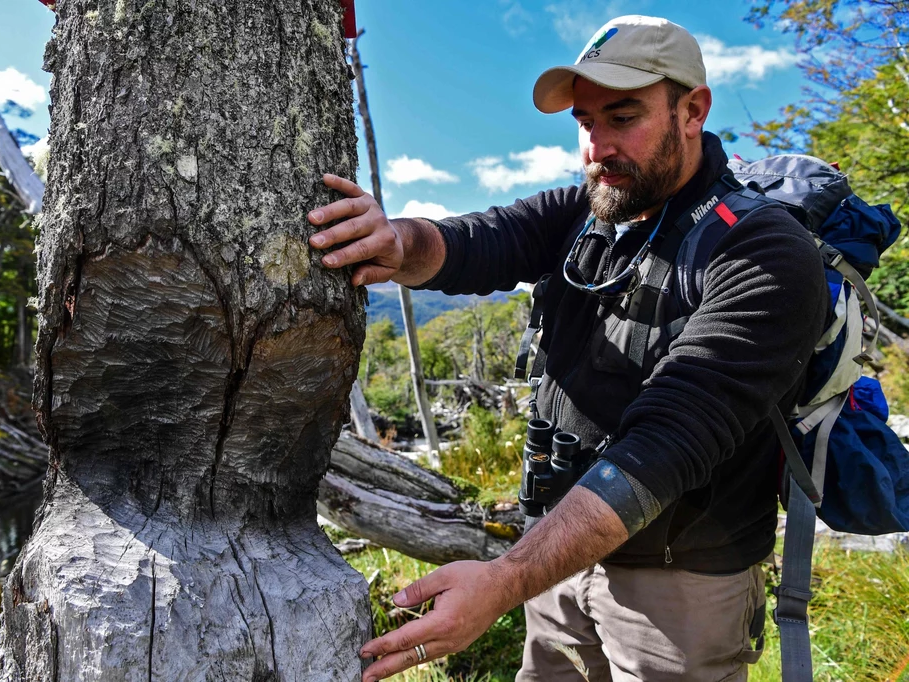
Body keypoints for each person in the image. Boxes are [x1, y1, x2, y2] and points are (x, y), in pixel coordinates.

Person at [308, 15, 829, 682]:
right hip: (555, 557)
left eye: (622, 116)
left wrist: (502, 580)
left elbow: (669, 441)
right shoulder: (592, 212)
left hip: (681, 589)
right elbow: (481, 241)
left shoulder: (761, 250)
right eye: (585, 122)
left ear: (692, 110)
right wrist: (397, 243)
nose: (596, 146)